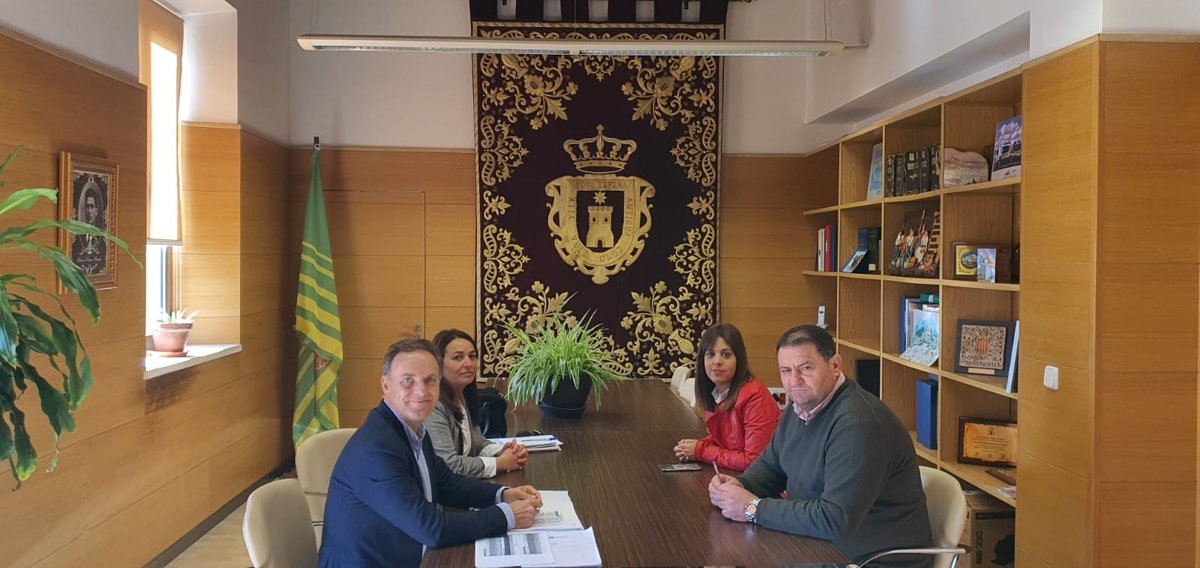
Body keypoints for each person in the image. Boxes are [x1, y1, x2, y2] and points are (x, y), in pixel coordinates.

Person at [708, 325, 933, 568]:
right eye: (786, 370)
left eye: (806, 368)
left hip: (870, 560)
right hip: (820, 546)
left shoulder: (858, 425)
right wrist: (740, 485)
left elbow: (833, 518)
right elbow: (772, 466)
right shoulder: (800, 407)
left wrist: (752, 508)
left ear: (835, 365)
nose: (794, 381)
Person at [320, 338, 544, 567]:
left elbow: (445, 482)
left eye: (430, 380)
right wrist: (507, 516)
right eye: (408, 381)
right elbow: (431, 529)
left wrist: (503, 494)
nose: (421, 391)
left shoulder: (412, 429)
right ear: (386, 386)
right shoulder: (376, 449)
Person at [673, 323, 781, 471]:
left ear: (739, 359)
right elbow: (726, 441)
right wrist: (698, 445)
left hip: (769, 481)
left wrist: (701, 451)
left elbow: (753, 461)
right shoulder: (715, 393)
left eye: (726, 354)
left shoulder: (755, 395)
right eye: (710, 354)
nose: (717, 361)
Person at [425, 329, 527, 478]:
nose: (468, 363)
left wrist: (503, 452)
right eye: (458, 357)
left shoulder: (462, 396)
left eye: (472, 356)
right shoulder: (433, 406)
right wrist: (501, 463)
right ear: (438, 364)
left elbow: (476, 444)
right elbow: (449, 465)